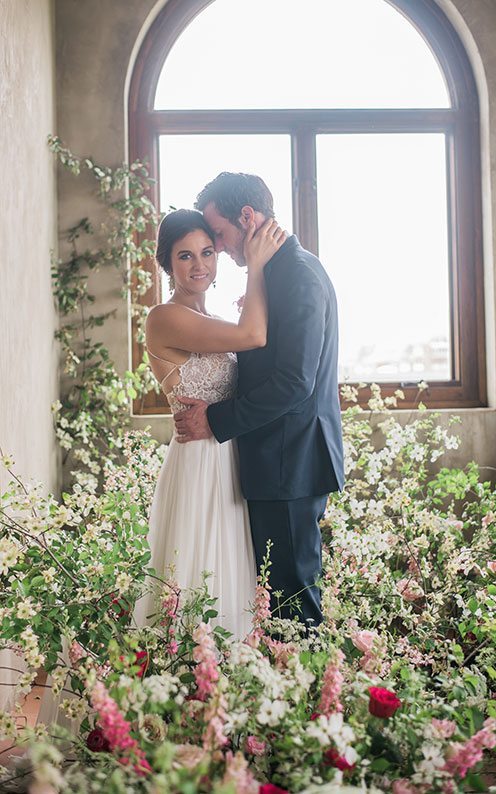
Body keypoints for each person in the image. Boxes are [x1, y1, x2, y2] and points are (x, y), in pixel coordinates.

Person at [174, 173, 344, 628]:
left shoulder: (298, 275)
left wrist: (216, 420)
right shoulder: (277, 272)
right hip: (275, 461)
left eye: (221, 235)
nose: (220, 248)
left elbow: (294, 382)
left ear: (247, 217)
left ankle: (307, 698)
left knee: (293, 606)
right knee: (275, 602)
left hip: (290, 463)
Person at [134, 208, 286, 639]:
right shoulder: (163, 318)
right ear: (166, 263)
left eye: (206, 252)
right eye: (185, 256)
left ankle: (227, 693)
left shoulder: (216, 318)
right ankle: (182, 687)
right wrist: (256, 266)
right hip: (199, 462)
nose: (199, 265)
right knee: (197, 577)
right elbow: (254, 336)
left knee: (230, 577)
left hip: (231, 458)